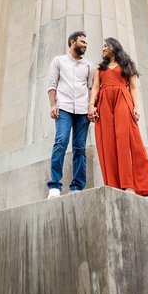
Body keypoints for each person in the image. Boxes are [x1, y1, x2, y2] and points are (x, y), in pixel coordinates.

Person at [88, 37, 148, 196]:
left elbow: (133, 88)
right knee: (108, 142)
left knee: (124, 140)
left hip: (122, 99)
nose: (103, 49)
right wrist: (91, 105)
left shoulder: (127, 66)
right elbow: (96, 88)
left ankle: (128, 185)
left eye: (106, 46)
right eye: (102, 46)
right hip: (104, 102)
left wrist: (136, 107)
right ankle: (113, 184)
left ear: (114, 46)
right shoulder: (100, 68)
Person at [46, 31, 93, 198]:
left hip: (82, 110)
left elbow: (90, 89)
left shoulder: (88, 66)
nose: (85, 45)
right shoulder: (58, 61)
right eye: (82, 42)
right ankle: (55, 185)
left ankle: (77, 186)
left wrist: (91, 107)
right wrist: (53, 105)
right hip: (63, 107)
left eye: (86, 43)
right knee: (61, 141)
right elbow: (51, 84)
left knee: (79, 147)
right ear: (72, 42)